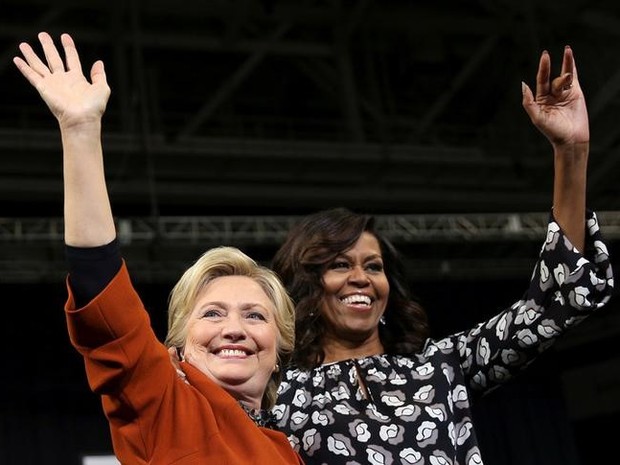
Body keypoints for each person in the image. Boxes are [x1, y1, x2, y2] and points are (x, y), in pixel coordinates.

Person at [268, 46, 615, 464]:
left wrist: (571, 153)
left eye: (373, 266)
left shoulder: (440, 367)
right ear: (306, 282)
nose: (361, 277)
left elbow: (556, 299)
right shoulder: (278, 393)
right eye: (339, 264)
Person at [13, 31, 304, 465]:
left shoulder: (287, 453)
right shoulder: (167, 405)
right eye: (212, 313)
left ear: (280, 348)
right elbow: (105, 303)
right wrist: (80, 132)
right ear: (178, 349)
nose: (235, 329)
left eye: (255, 315)